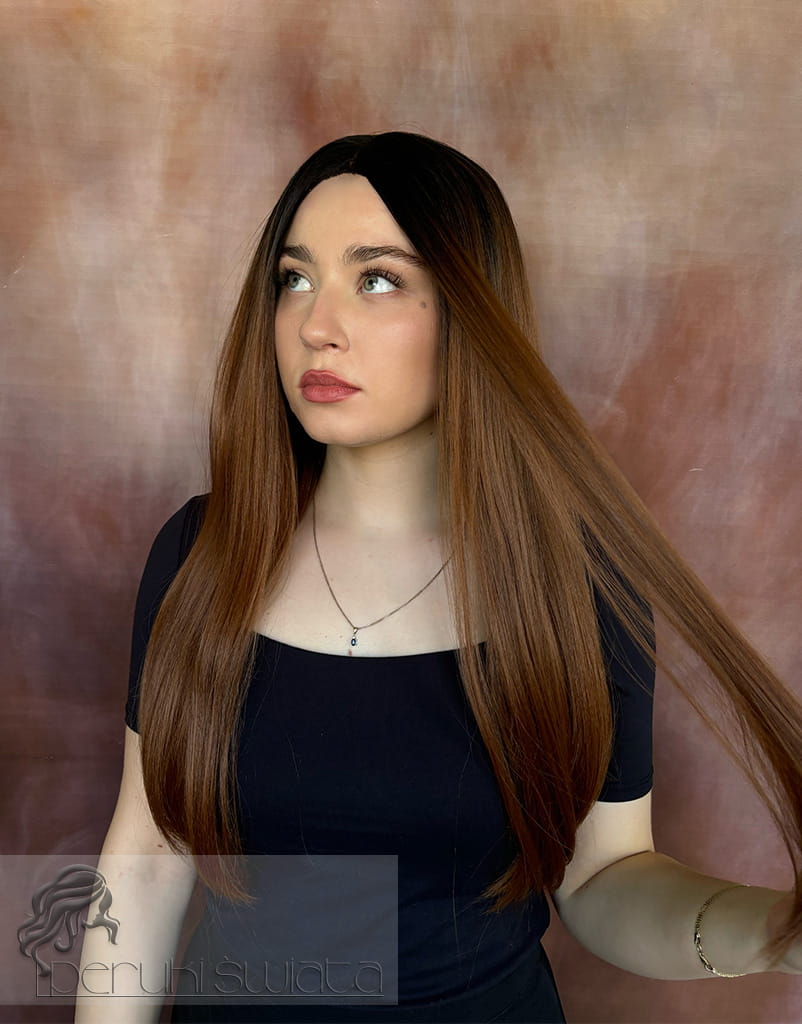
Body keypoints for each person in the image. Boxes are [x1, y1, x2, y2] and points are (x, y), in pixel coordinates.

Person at [75, 132, 802, 1023]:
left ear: (472, 311)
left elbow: (605, 874)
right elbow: (148, 858)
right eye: (294, 278)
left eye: (377, 279)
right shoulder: (201, 554)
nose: (316, 325)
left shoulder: (578, 589)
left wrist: (771, 933)